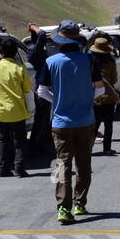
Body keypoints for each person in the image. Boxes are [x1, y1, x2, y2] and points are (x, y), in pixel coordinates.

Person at [37, 20, 103, 224]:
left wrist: (57, 100)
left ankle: (63, 208)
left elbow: (41, 91)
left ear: (59, 40)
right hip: (86, 120)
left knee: (62, 164)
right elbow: (100, 89)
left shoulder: (51, 62)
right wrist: (87, 99)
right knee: (84, 163)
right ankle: (80, 203)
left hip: (60, 122)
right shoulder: (90, 60)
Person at [0, 40, 33, 177]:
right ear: (15, 53)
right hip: (17, 110)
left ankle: (3, 168)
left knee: (3, 139)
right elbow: (27, 88)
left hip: (0, 110)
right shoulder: (20, 68)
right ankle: (19, 168)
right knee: (20, 140)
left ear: (1, 53)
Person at [23, 24, 55, 157]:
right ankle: (35, 147)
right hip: (41, 88)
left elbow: (41, 37)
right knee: (41, 120)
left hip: (41, 86)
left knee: (44, 119)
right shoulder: (35, 51)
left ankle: (45, 144)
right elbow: (41, 35)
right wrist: (33, 27)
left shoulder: (35, 50)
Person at [88, 35, 120, 155]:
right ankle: (107, 148)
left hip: (95, 97)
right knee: (108, 125)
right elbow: (114, 79)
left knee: (94, 125)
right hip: (109, 97)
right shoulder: (111, 62)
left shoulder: (90, 62)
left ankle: (88, 148)